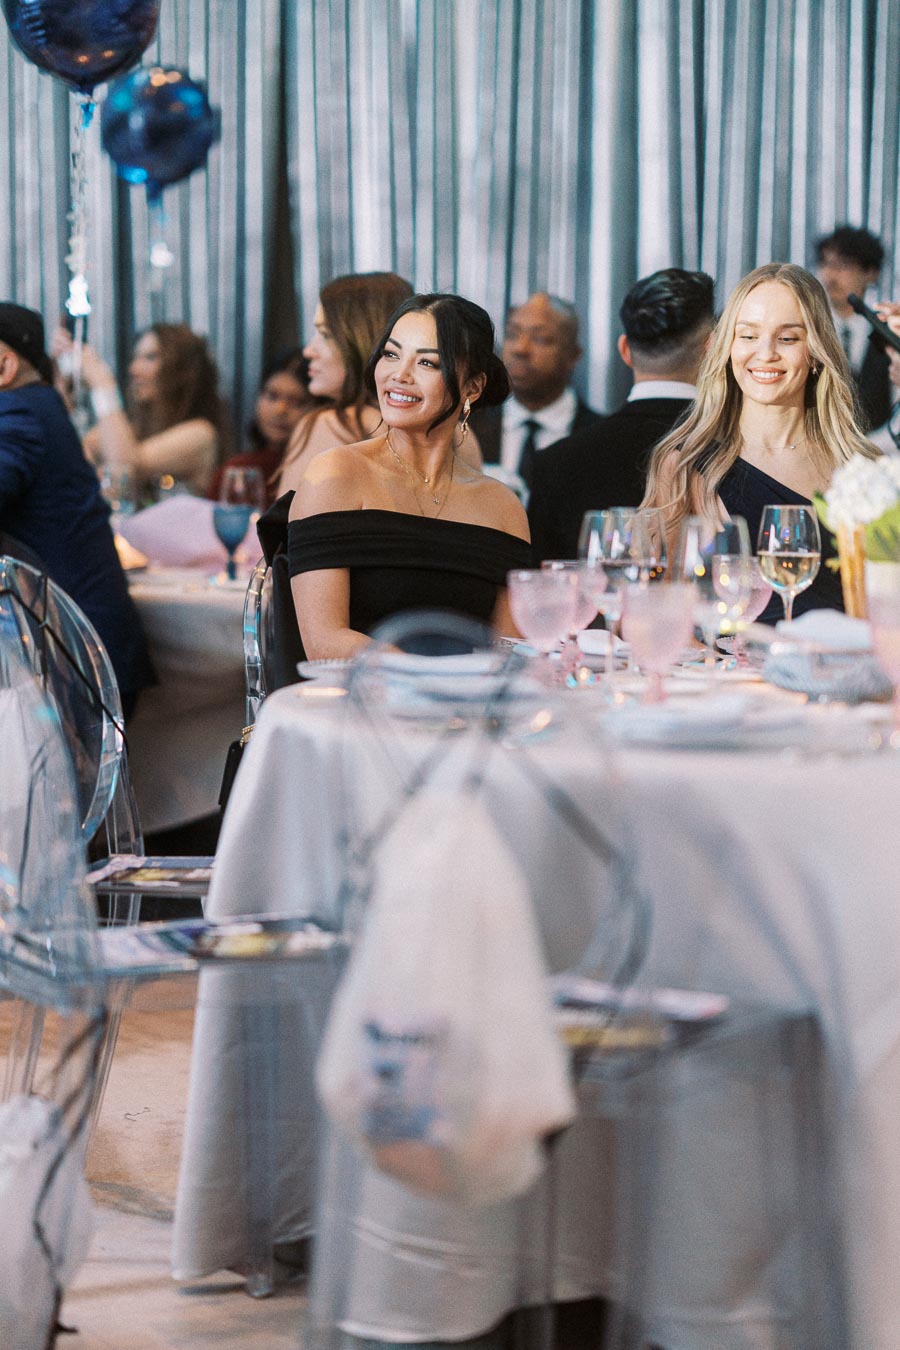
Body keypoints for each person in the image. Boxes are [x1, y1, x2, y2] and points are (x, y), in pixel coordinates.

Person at [285, 293, 531, 661]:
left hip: (468, 696)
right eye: (391, 354)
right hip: (358, 694)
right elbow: (324, 642)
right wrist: (426, 674)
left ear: (473, 387)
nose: (399, 375)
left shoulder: (503, 508)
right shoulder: (336, 475)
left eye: (427, 362)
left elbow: (508, 649)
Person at [642, 262, 878, 621]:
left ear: (816, 351)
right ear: (727, 347)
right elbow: (664, 612)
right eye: (748, 336)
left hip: (844, 657)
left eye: (788, 338)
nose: (765, 353)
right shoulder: (686, 465)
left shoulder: (861, 471)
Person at [0, 303, 153, 713]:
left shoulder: (16, 412)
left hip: (68, 661)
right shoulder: (39, 407)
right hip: (79, 651)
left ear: (4, 367)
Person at [528, 268, 714, 562]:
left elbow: (542, 580)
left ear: (625, 350)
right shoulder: (740, 450)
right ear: (713, 350)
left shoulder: (555, 463)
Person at [276, 272, 415, 494]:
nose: (308, 351)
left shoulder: (333, 424)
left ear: (365, 339)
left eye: (325, 334)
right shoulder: (454, 433)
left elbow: (287, 517)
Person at [54, 321, 227, 498]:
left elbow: (125, 472)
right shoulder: (133, 428)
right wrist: (61, 387)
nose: (134, 369)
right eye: (135, 358)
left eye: (150, 358)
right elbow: (69, 457)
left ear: (184, 369)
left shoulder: (201, 434)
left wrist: (102, 383)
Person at [469, 292, 601, 483]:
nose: (520, 349)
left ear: (573, 355)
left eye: (540, 338)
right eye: (512, 334)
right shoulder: (467, 426)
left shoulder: (598, 436)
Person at [207, 348, 310, 506]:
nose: (280, 410)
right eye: (272, 396)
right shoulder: (238, 470)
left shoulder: (316, 474)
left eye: (296, 402)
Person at [815, 225, 892, 432]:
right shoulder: (809, 328)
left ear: (870, 273)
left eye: (843, 265)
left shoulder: (887, 332)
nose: (830, 275)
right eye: (825, 263)